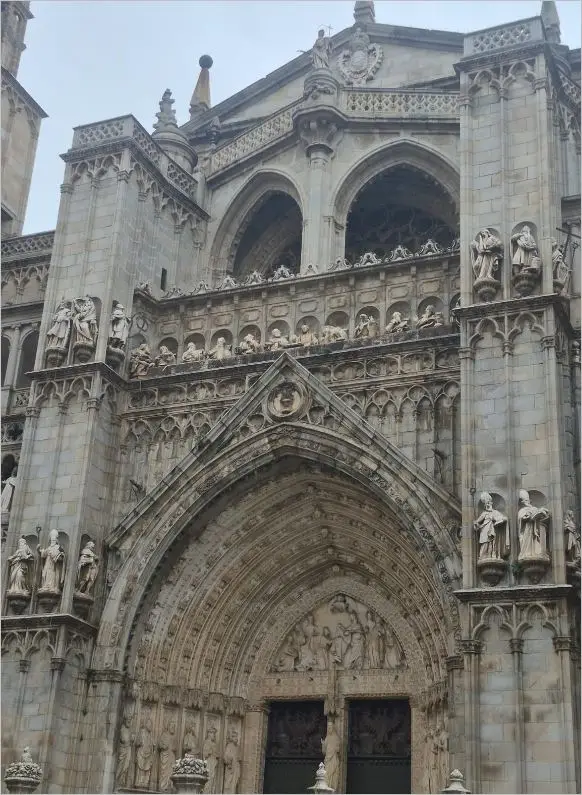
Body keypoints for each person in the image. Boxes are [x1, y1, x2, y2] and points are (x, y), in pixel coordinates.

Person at [474, 492, 509, 560]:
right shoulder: (484, 513)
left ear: (491, 503)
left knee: (492, 543)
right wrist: (477, 526)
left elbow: (504, 518)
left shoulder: (495, 512)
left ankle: (493, 555)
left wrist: (500, 520)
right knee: (485, 543)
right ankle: (483, 556)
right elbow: (477, 522)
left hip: (493, 530)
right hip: (485, 531)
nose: (488, 504)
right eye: (486, 503)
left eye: (489, 502)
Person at [517, 489, 550, 559]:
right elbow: (521, 518)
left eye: (527, 500)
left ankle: (536, 552)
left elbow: (542, 516)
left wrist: (542, 512)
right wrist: (526, 517)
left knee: (535, 539)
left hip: (535, 528)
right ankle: (526, 553)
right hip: (527, 528)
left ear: (529, 500)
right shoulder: (522, 510)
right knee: (527, 541)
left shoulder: (534, 508)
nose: (526, 502)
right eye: (524, 500)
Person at [38, 529, 65, 593]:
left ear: (56, 541)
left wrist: (53, 556)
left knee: (52, 575)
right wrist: (38, 549)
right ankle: (46, 586)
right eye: (51, 540)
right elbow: (43, 554)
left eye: (54, 540)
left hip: (54, 566)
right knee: (44, 575)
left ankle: (52, 587)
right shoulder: (49, 548)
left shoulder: (58, 548)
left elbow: (61, 558)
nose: (52, 541)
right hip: (47, 564)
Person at [321, 719, 341, 791]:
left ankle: (332, 789)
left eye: (330, 727)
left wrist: (335, 748)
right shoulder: (327, 738)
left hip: (333, 759)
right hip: (327, 760)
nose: (329, 729)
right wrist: (323, 745)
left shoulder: (336, 738)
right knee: (327, 776)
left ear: (333, 728)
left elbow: (338, 750)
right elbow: (324, 752)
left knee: (333, 775)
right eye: (328, 727)